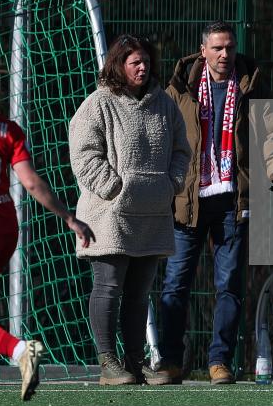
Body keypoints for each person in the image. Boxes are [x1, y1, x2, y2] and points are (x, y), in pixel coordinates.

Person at [159, 21, 273, 384]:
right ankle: (170, 361)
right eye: (217, 48)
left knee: (229, 285)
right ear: (202, 50)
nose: (224, 55)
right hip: (188, 201)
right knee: (175, 283)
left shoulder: (252, 87)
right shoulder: (179, 89)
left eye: (229, 48)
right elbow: (162, 137)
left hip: (233, 201)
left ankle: (220, 361)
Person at [0, 56, 94, 406]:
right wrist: (69, 217)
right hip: (4, 231)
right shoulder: (7, 129)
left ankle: (19, 349)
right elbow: (32, 184)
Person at [70, 35, 190, 386]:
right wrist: (113, 188)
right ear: (119, 65)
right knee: (108, 286)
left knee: (139, 294)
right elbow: (84, 153)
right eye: (134, 62)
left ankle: (135, 364)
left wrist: (172, 183)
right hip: (108, 214)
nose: (142, 67)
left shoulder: (164, 105)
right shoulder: (98, 103)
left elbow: (182, 150)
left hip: (152, 213)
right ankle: (108, 362)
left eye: (146, 62)